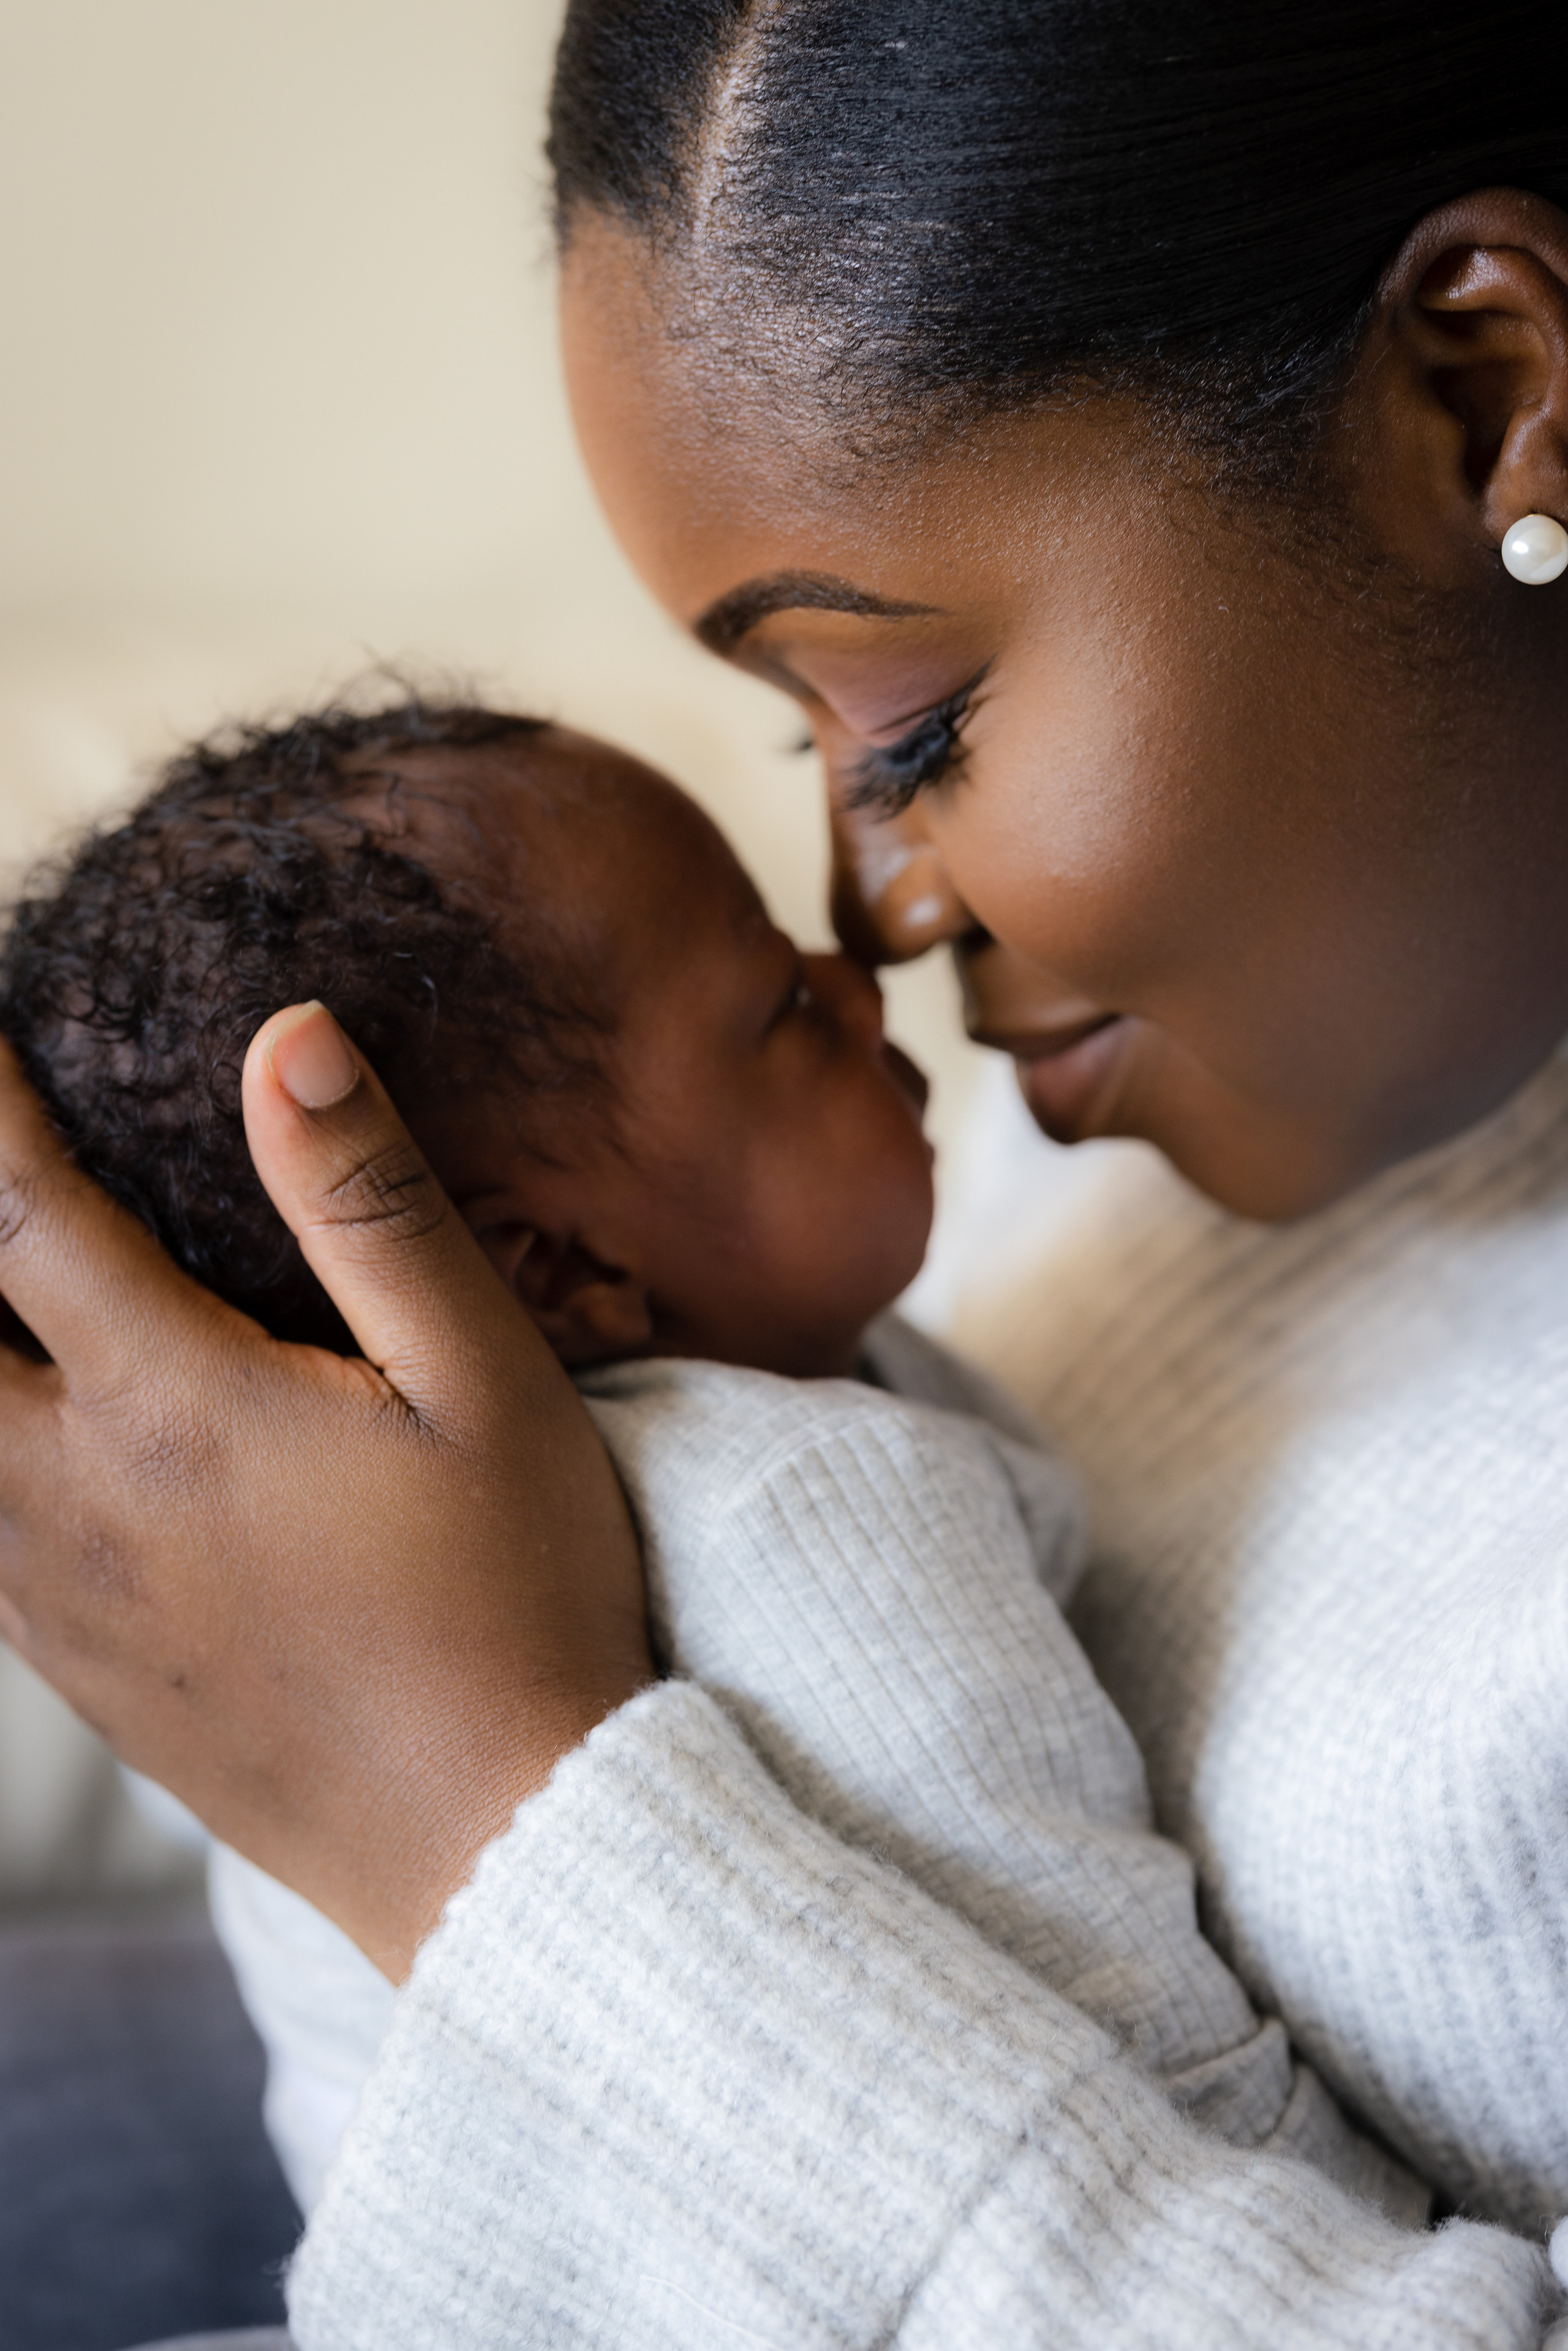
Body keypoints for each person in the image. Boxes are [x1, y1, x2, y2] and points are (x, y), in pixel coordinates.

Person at [1, 2, 1567, 2344]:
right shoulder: (1233, 1062)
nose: (872, 919)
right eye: (804, 739)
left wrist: (479, 1815)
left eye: (918, 721)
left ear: (1476, 394)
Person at [4, 689, 1424, 2230]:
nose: (859, 973)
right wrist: (1334, 2204)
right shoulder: (813, 1519)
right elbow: (1130, 2028)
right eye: (782, 1011)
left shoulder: (370, 1524)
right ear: (556, 1272)